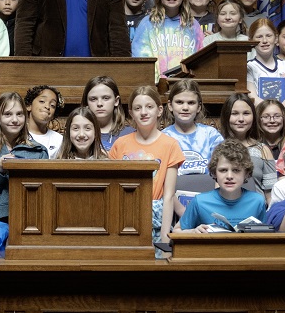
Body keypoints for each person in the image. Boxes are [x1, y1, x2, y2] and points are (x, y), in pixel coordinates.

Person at [109, 85, 185, 244]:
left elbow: (169, 195)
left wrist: (165, 235)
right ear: (131, 113)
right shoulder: (120, 144)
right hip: (124, 218)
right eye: (138, 108)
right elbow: (113, 189)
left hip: (156, 220)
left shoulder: (170, 145)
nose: (143, 112)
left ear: (159, 110)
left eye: (149, 107)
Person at [0, 92, 49, 220]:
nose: (14, 120)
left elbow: (45, 197)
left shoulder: (38, 151)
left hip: (30, 220)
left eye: (19, 114)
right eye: (8, 114)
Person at [176, 140, 266, 232]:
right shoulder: (199, 201)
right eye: (223, 170)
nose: (229, 176)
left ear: (246, 173)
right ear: (214, 173)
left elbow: (265, 235)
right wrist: (193, 232)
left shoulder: (257, 201)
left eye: (236, 170)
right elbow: (176, 231)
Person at [131, 0, 205, 77]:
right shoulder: (147, 24)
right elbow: (140, 59)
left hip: (186, 84)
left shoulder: (193, 25)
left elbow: (201, 60)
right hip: (155, 85)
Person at [220, 93, 275, 201]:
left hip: (256, 211)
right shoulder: (218, 147)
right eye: (234, 113)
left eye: (246, 113)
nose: (241, 119)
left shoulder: (263, 150)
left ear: (253, 116)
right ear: (226, 116)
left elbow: (270, 195)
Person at [161, 78, 221, 176]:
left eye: (191, 103)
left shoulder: (211, 135)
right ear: (170, 105)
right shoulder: (163, 137)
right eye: (179, 102)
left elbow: (223, 170)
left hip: (207, 189)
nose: (185, 108)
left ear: (199, 107)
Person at [246, 18, 285, 112]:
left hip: (283, 118)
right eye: (259, 37)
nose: (264, 40)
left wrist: (276, 112)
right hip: (259, 118)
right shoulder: (249, 67)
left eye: (269, 36)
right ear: (251, 40)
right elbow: (252, 97)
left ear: (276, 38)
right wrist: (270, 112)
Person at [81, 75, 132, 152]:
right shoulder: (79, 134)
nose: (99, 103)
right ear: (87, 104)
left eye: (106, 98)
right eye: (93, 99)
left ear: (116, 101)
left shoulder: (130, 134)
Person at [24, 84, 63, 157]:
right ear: (29, 106)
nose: (47, 106)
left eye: (52, 105)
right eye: (42, 101)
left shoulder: (59, 140)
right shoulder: (18, 135)